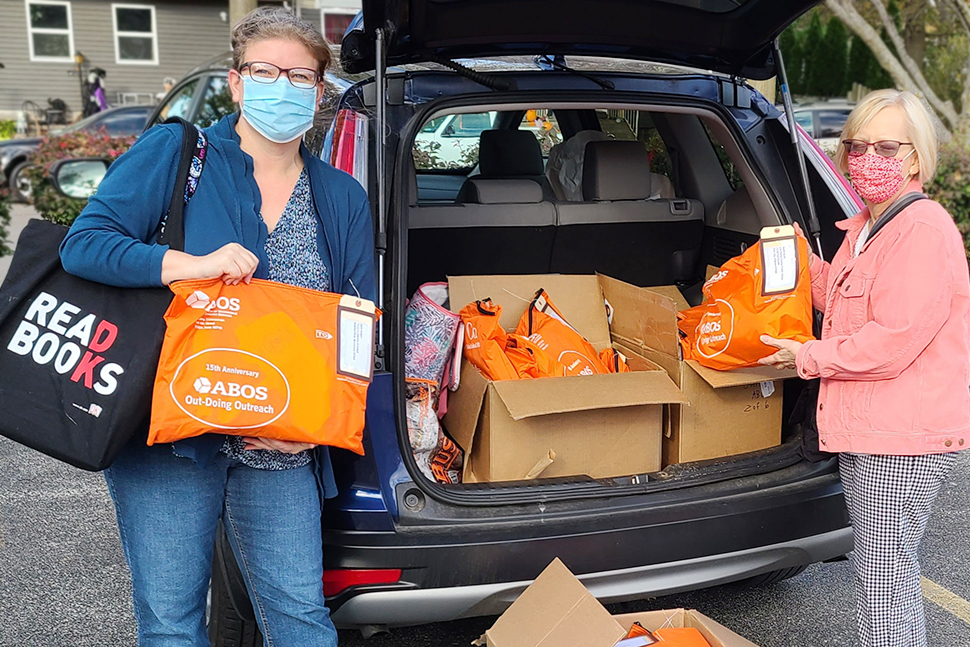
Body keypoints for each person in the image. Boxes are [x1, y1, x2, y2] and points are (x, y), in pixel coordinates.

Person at [59, 7, 375, 646]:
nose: (282, 86)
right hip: (172, 438)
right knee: (173, 624)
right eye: (265, 71)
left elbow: (355, 321)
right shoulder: (180, 155)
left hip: (282, 447)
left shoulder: (341, 196)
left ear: (320, 92)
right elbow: (84, 245)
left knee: (301, 618)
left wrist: (317, 427)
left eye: (300, 76)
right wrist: (188, 265)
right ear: (236, 82)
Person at [759, 89, 970, 647]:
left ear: (916, 159)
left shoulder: (920, 231)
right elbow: (852, 299)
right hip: (874, 428)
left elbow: (892, 340)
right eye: (856, 144)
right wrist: (806, 267)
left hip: (899, 438)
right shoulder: (871, 226)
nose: (866, 158)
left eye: (885, 146)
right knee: (890, 579)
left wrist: (805, 355)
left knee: (883, 585)